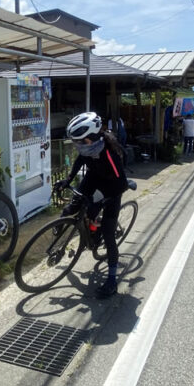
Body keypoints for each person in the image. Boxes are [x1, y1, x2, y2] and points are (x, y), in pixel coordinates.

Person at [55, 111, 129, 298]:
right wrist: (68, 179)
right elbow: (81, 159)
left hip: (113, 187)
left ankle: (112, 281)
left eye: (79, 141)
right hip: (94, 177)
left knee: (108, 234)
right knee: (71, 206)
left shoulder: (110, 153)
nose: (77, 145)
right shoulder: (88, 148)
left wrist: (102, 201)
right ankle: (68, 231)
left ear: (92, 137)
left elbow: (120, 184)